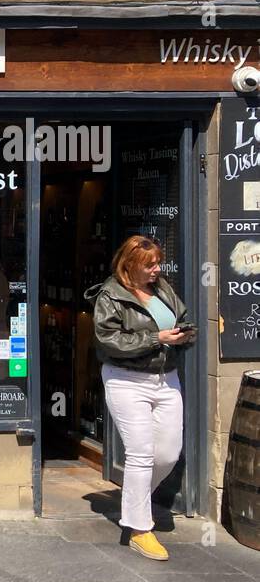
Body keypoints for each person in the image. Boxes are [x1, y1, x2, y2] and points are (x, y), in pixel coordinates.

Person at [89, 235, 194, 561]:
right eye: (149, 264)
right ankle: (138, 529)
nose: (156, 269)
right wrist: (156, 338)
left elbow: (180, 317)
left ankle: (135, 499)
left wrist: (184, 336)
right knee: (140, 453)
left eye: (157, 263)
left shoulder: (162, 288)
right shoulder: (110, 295)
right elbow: (109, 341)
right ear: (129, 264)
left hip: (166, 378)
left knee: (168, 453)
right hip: (126, 379)